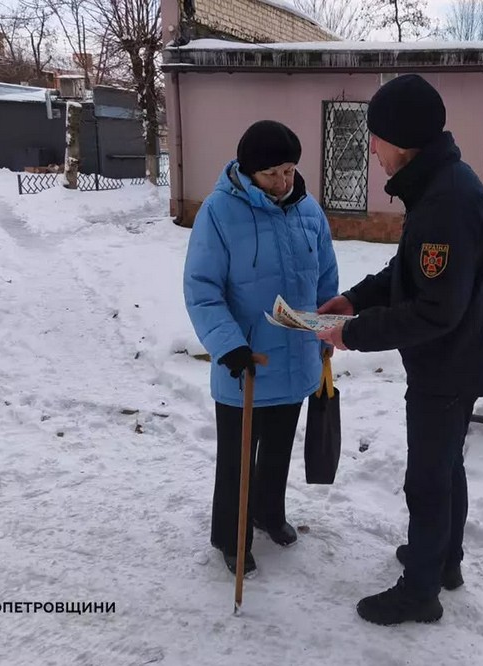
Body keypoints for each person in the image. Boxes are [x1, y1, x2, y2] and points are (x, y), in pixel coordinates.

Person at [317, 74, 483, 625]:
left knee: (427, 478)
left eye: (375, 137)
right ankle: (443, 560)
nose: (371, 148)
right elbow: (411, 272)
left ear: (401, 139)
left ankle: (420, 591)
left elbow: (435, 309)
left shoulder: (445, 200)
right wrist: (353, 299)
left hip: (447, 366)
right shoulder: (440, 185)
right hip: (457, 360)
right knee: (445, 469)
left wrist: (353, 335)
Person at [184, 119, 339, 577]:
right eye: (273, 173)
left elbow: (326, 279)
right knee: (237, 459)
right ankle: (231, 535)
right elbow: (202, 288)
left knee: (278, 450)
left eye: (289, 170)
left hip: (296, 359)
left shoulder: (309, 210)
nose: (283, 181)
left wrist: (327, 328)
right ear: (249, 171)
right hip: (247, 363)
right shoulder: (219, 212)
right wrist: (227, 345)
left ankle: (269, 513)